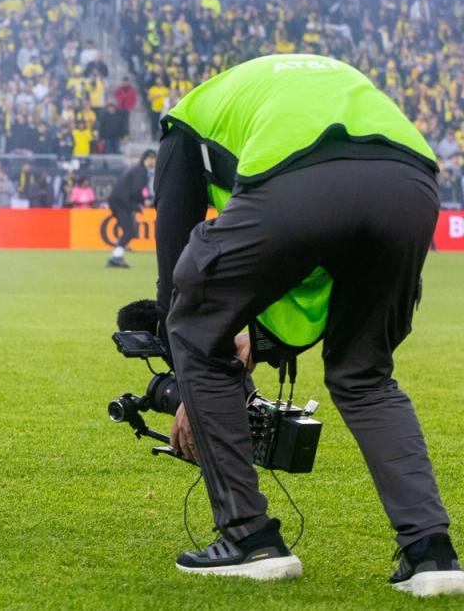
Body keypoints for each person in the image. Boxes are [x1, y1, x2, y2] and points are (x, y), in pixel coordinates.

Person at [152, 54, 464, 596]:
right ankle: (432, 554)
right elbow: (314, 258)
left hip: (299, 181)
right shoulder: (309, 84)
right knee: (364, 374)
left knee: (196, 330)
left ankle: (249, 539)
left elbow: (177, 270)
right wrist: (256, 337)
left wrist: (192, 382)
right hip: (411, 185)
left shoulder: (187, 120)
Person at [105, 150, 153, 268]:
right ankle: (115, 257)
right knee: (129, 232)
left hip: (117, 201)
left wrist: (137, 205)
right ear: (149, 158)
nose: (155, 162)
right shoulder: (141, 172)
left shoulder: (136, 169)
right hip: (121, 203)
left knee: (129, 231)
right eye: (154, 159)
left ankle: (118, 256)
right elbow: (135, 191)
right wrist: (140, 203)